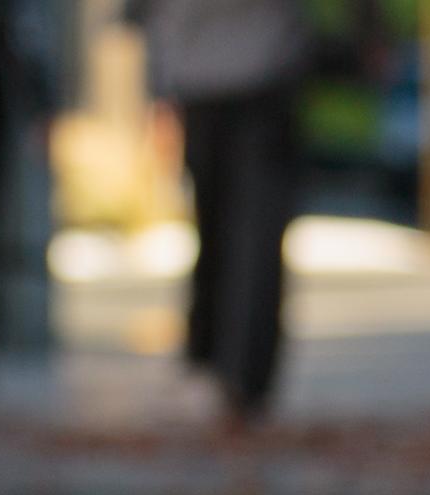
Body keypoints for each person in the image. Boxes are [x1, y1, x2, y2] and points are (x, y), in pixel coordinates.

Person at [132, 0, 311, 425]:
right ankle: (222, 368)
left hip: (251, 68)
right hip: (214, 69)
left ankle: (231, 373)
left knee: (242, 228)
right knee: (225, 224)